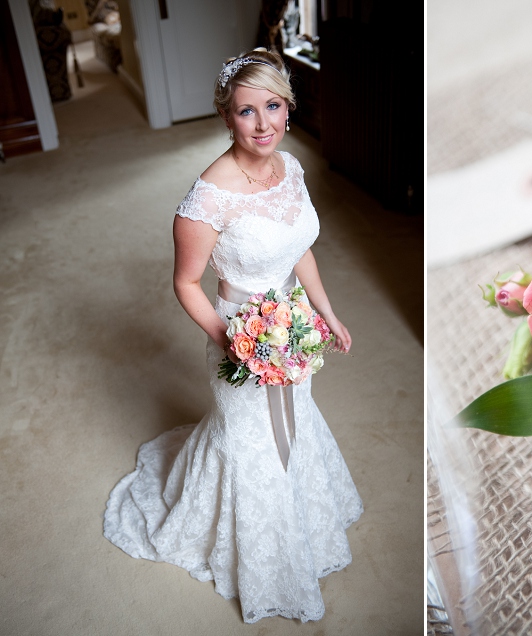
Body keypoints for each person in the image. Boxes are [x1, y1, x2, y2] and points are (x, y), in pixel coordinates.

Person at [103, 48, 363, 624]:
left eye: (273, 106)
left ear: (289, 109)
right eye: (247, 112)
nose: (263, 123)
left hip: (292, 330)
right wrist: (233, 339)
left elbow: (301, 251)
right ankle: (266, 563)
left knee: (295, 423)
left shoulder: (290, 170)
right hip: (241, 335)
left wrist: (326, 314)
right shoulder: (206, 199)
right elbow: (187, 282)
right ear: (227, 117)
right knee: (251, 443)